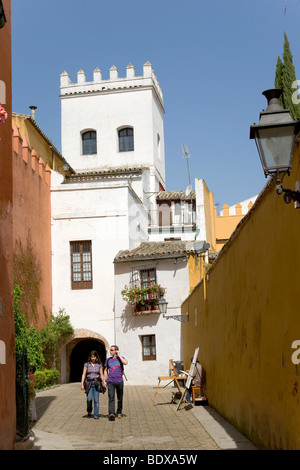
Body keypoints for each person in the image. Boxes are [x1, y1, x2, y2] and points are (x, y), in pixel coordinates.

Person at [104, 345, 128, 421]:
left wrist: (119, 355)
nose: (110, 351)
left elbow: (125, 363)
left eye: (112, 350)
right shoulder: (108, 360)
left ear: (116, 351)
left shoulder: (121, 358)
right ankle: (111, 413)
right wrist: (105, 380)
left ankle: (119, 412)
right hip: (110, 381)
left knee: (120, 398)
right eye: (110, 350)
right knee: (111, 397)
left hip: (119, 381)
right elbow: (105, 370)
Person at [81, 350, 106, 419]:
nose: (93, 358)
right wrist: (82, 384)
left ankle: (96, 415)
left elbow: (101, 374)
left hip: (96, 383)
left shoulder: (99, 365)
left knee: (96, 400)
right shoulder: (87, 364)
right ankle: (89, 410)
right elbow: (83, 374)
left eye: (94, 357)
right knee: (89, 399)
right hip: (89, 383)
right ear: (90, 357)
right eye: (92, 357)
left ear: (96, 357)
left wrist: (104, 382)